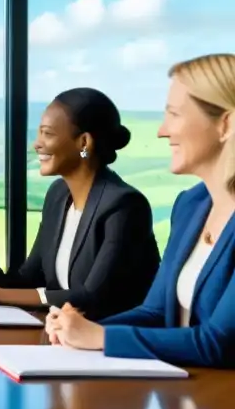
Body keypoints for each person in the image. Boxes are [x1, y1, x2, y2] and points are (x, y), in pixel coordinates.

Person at [47, 55, 235, 368]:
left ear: (225, 124)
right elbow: (156, 312)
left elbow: (220, 342)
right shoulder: (191, 206)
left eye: (174, 114)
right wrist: (80, 329)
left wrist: (100, 338)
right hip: (184, 400)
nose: (162, 131)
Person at [0, 88, 159, 320]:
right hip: (62, 335)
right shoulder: (58, 195)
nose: (36, 145)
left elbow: (92, 297)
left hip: (110, 340)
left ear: (84, 142)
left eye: (47, 134)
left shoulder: (124, 205)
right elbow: (28, 277)